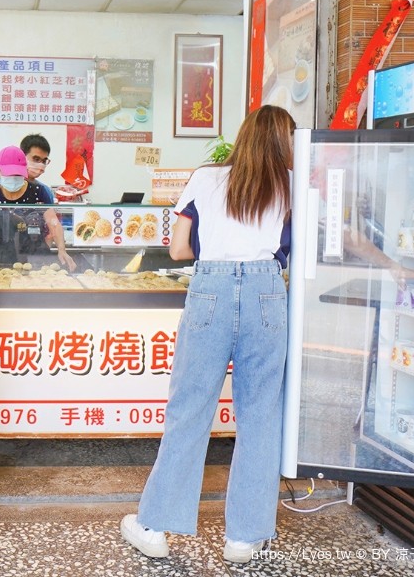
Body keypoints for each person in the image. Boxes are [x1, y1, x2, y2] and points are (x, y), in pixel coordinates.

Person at [120, 105, 296, 564]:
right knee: (260, 416)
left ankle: (154, 527)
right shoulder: (291, 184)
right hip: (266, 292)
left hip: (210, 291)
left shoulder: (206, 177)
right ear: (285, 142)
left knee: (190, 409)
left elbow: (178, 249)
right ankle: (244, 537)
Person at [0, 145, 76, 272]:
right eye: (9, 173)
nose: (14, 178)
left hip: (36, 257)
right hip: (3, 257)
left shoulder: (39, 192)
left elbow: (53, 222)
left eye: (18, 173)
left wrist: (62, 250)